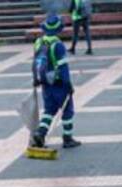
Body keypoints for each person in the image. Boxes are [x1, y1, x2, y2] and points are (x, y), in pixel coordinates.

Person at [31, 15, 81, 150]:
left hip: (45, 82)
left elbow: (34, 62)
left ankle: (40, 134)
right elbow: (63, 67)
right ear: (59, 29)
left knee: (49, 110)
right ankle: (67, 138)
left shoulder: (39, 42)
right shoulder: (58, 45)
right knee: (67, 110)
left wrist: (36, 79)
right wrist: (68, 84)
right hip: (59, 83)